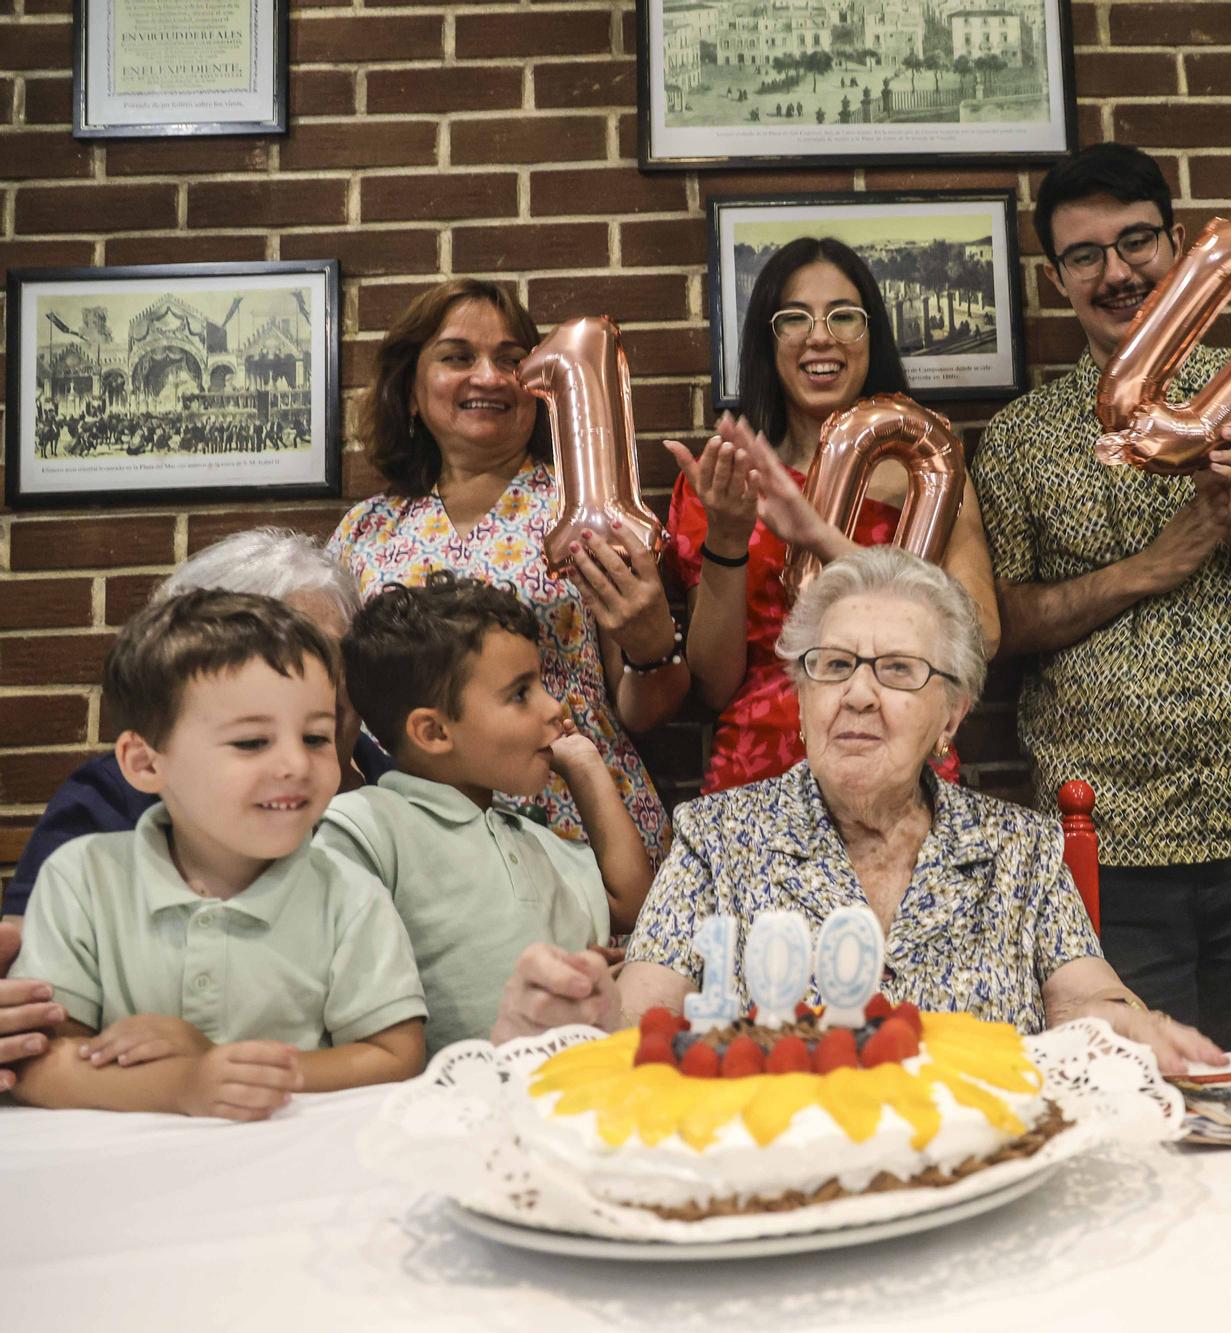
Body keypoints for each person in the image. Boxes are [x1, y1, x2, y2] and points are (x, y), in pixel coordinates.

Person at [490, 547, 1224, 1075]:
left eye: (899, 671)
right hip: (786, 1185)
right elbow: (638, 1018)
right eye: (834, 665)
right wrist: (564, 1024)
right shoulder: (719, 838)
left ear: (951, 715)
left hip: (981, 1174)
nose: (860, 694)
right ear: (802, 703)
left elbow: (1084, 1003)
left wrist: (1130, 1022)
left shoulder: (1019, 849)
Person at [971, 142, 1231, 1051]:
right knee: (1136, 1077)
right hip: (1106, 836)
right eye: (1086, 254)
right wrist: (1148, 568)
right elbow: (1002, 626)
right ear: (1056, 276)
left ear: (1176, 246)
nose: (1116, 272)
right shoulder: (1019, 437)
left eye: (1136, 242)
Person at [0, 528, 394, 1092]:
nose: (301, 670)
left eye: (322, 650)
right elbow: (41, 1008)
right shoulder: (107, 811)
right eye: (256, 647)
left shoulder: (394, 790)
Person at [326, 278, 683, 863]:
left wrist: (651, 645)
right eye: (458, 357)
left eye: (512, 360)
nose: (489, 377)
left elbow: (647, 711)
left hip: (581, 833)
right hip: (412, 845)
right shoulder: (363, 533)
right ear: (411, 392)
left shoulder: (586, 510)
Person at [663, 236, 999, 794]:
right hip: (760, 775)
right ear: (768, 343)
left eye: (844, 316)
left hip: (902, 771)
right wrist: (726, 536)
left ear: (871, 336)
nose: (821, 335)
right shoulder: (724, 482)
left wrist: (821, 540)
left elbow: (981, 635)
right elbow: (716, 685)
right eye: (794, 318)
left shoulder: (930, 470)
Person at [316, 575, 650, 1052]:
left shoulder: (528, 839)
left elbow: (630, 900)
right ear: (433, 732)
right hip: (439, 1103)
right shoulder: (366, 825)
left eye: (543, 685)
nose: (555, 707)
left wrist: (585, 765)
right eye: (520, 694)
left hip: (561, 1091)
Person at [4, 527, 391, 926]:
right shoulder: (113, 796)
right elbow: (32, 941)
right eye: (275, 662)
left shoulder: (404, 790)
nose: (315, 682)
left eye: (332, 654)